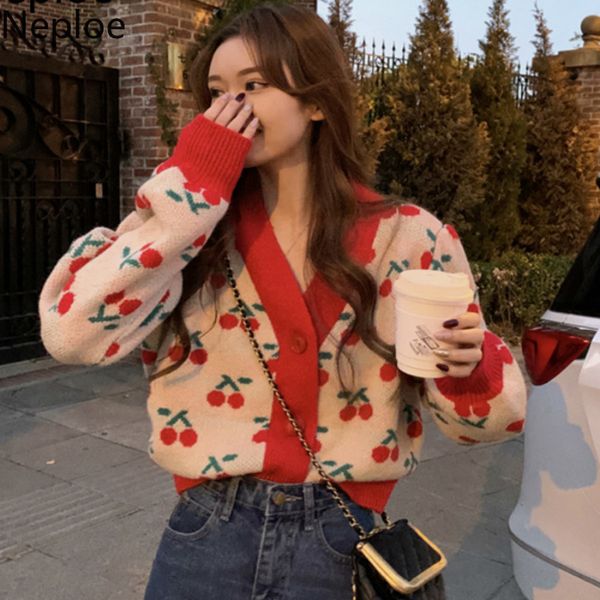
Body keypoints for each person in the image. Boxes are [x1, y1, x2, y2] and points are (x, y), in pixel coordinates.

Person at [38, 4, 527, 599]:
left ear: (316, 101)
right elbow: (70, 335)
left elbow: (488, 424)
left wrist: (467, 367)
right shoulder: (182, 232)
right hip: (206, 532)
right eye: (216, 92)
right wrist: (189, 189)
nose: (232, 108)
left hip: (344, 537)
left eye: (254, 85)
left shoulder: (409, 238)